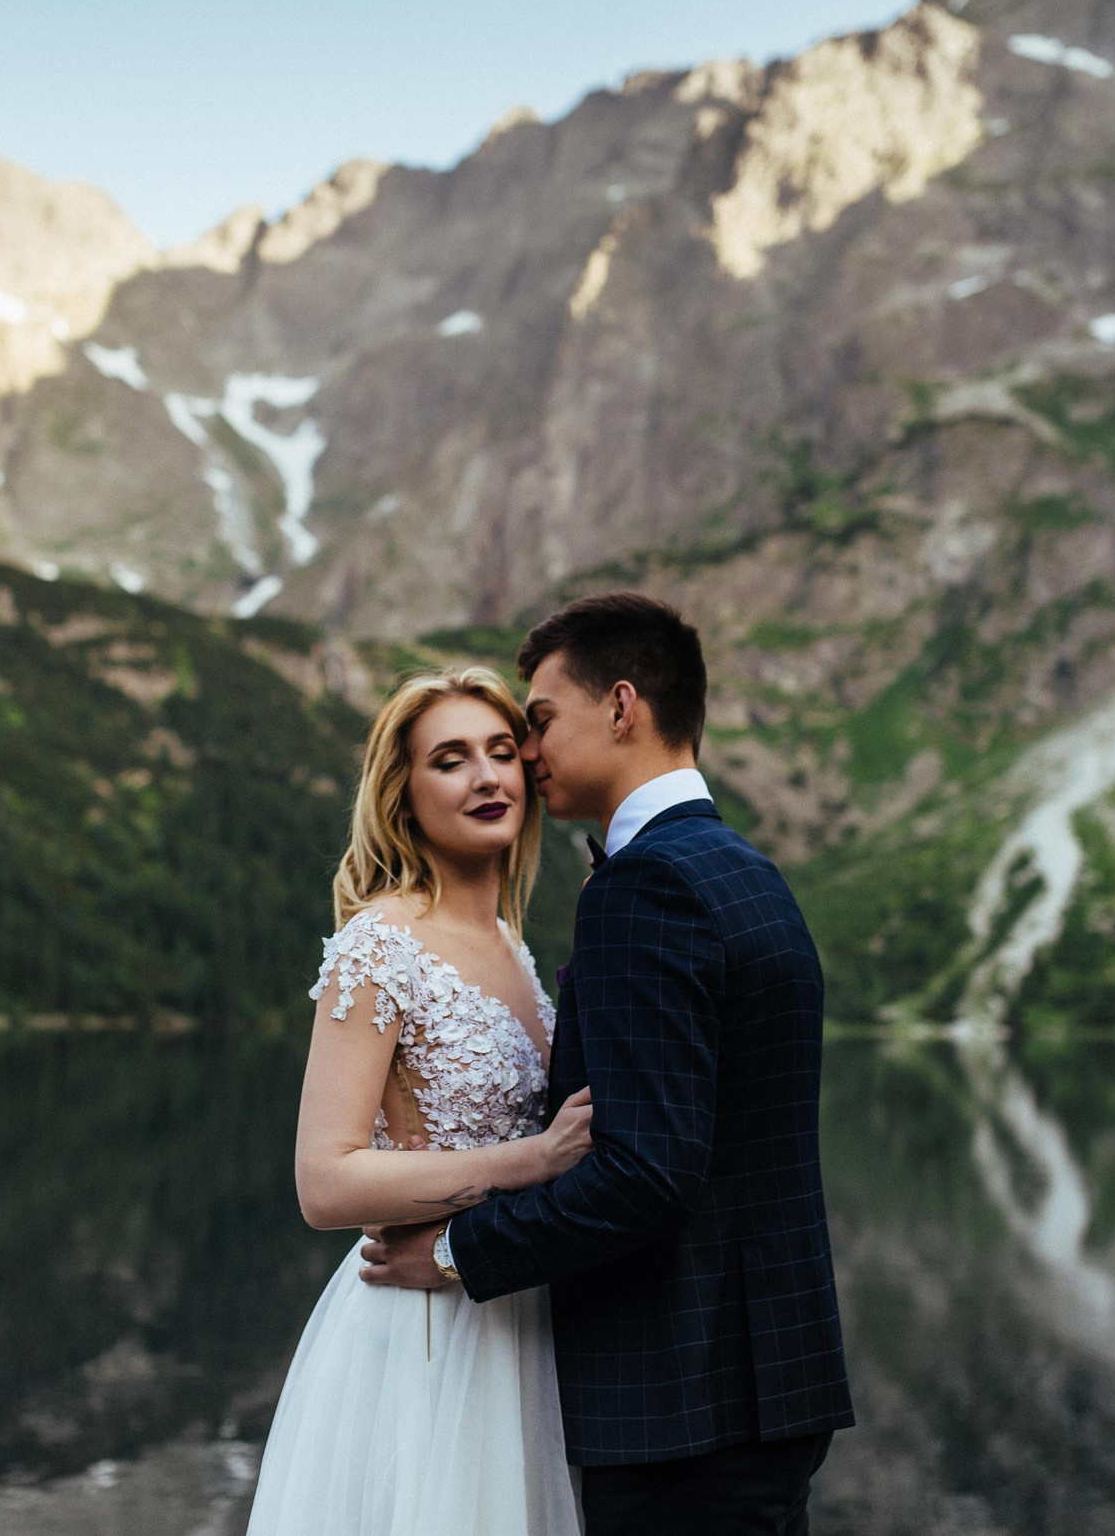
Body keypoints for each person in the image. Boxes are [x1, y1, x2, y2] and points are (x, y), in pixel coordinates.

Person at [361, 591, 855, 1535]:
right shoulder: (742, 868)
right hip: (764, 1384)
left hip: (680, 1401)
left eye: (538, 722)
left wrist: (459, 1253)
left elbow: (645, 1172)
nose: (529, 751)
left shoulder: (647, 886)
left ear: (622, 707)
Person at [244, 666, 591, 1536]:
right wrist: (532, 1158)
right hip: (425, 1337)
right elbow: (324, 1183)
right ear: (404, 794)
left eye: (503, 751)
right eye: (451, 758)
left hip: (521, 1314)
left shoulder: (513, 943)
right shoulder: (380, 942)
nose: (486, 776)